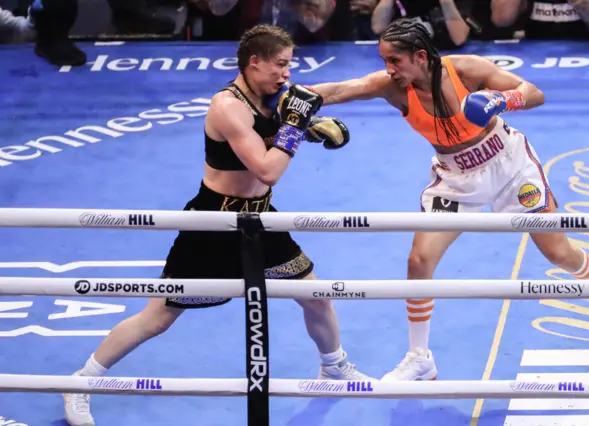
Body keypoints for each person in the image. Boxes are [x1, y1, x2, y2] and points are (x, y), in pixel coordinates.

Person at [270, 17, 589, 382]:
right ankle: (419, 357)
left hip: (510, 167)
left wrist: (501, 100)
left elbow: (535, 93)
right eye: (385, 61)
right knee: (419, 260)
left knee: (558, 252)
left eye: (395, 60)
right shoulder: (393, 87)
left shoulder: (468, 71)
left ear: (421, 56)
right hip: (456, 179)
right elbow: (338, 89)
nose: (388, 70)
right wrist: (288, 96)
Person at [62, 24, 368, 426]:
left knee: (315, 296)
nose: (286, 74)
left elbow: (334, 94)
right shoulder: (228, 107)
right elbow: (268, 168)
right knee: (158, 317)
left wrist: (312, 124)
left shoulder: (276, 98)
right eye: (279, 65)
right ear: (253, 62)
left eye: (289, 66)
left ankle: (333, 366)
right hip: (213, 221)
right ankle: (82, 382)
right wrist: (293, 130)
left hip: (258, 217)